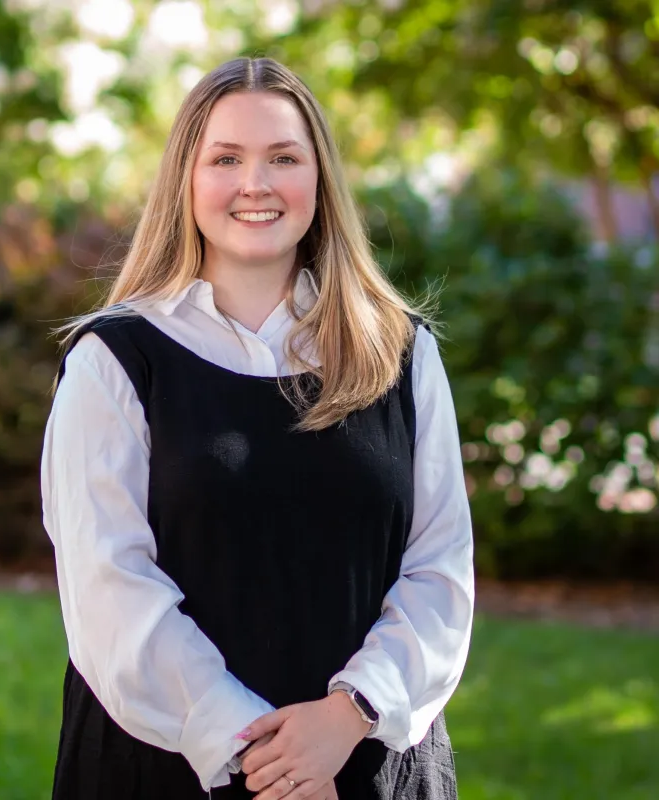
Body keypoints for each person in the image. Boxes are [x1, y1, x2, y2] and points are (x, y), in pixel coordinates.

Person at [41, 57, 474, 800]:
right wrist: (262, 757)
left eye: (283, 158)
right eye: (226, 159)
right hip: (166, 769)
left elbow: (440, 571)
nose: (256, 183)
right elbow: (108, 589)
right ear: (187, 178)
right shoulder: (114, 360)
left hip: (367, 763)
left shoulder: (402, 352)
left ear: (319, 179)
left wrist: (347, 716)